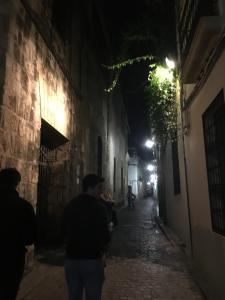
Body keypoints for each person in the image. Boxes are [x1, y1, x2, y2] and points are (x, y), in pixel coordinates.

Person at [63, 174, 111, 300]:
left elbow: (62, 231)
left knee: (73, 296)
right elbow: (105, 236)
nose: (101, 191)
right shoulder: (99, 208)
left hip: (71, 259)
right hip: (92, 259)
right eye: (99, 187)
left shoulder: (70, 205)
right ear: (90, 188)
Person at [0, 168, 37, 300]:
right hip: (13, 256)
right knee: (9, 292)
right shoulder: (24, 206)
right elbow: (31, 237)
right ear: (17, 183)